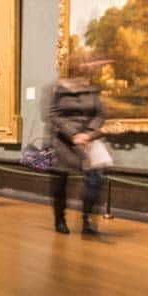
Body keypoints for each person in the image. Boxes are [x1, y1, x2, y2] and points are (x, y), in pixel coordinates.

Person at [47, 72, 108, 235]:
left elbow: (100, 114)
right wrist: (73, 134)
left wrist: (88, 133)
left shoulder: (92, 90)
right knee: (60, 184)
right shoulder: (60, 90)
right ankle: (60, 219)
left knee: (95, 181)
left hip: (88, 141)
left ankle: (87, 221)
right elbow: (53, 115)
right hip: (64, 142)